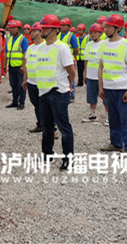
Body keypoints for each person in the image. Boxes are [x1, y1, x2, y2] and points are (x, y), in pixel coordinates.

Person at [36, 14, 75, 170]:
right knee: (46, 127)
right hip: (43, 92)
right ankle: (47, 154)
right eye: (42, 27)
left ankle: (68, 158)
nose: (42, 30)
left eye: (45, 28)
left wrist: (68, 85)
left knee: (64, 127)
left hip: (58, 92)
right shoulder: (41, 48)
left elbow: (71, 71)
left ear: (54, 30)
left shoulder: (62, 48)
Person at [98, 14, 127, 154]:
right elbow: (101, 67)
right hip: (109, 88)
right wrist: (101, 87)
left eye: (108, 27)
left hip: (122, 88)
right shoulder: (103, 45)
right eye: (105, 26)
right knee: (113, 118)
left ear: (117, 28)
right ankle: (116, 143)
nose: (105, 29)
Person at [22, 22, 44, 133]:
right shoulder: (30, 48)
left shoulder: (46, 47)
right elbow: (27, 65)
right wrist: (25, 79)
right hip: (31, 82)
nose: (31, 33)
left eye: (34, 31)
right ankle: (40, 124)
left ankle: (52, 127)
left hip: (42, 82)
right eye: (31, 31)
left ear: (41, 32)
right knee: (36, 105)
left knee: (45, 106)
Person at [4, 18, 28, 110]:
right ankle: (14, 101)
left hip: (19, 67)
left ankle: (21, 103)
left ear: (19, 28)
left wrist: (23, 66)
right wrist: (4, 64)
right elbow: (6, 53)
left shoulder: (23, 40)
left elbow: (25, 53)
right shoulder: (9, 39)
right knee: (13, 84)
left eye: (13, 28)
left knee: (21, 85)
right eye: (10, 28)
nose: (11, 29)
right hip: (11, 66)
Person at [58, 18, 78, 102]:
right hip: (60, 60)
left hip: (69, 60)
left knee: (71, 76)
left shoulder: (71, 36)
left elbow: (76, 48)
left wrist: (74, 57)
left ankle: (72, 95)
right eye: (61, 25)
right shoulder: (58, 35)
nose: (62, 27)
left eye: (64, 25)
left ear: (68, 26)